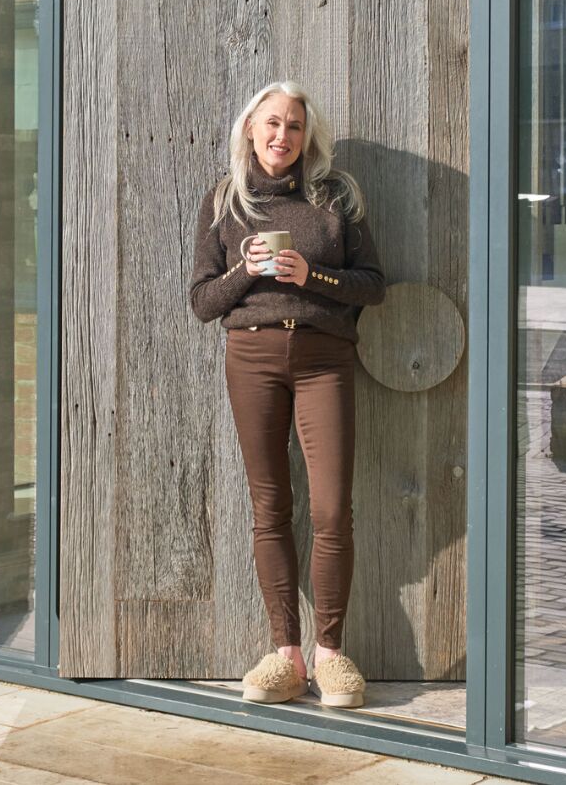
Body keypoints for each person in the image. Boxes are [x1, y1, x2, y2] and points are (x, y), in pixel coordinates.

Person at [188, 81, 386, 709]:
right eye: (271, 124)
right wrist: (246, 269)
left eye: (294, 127)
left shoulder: (336, 197)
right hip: (251, 358)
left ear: (308, 136)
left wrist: (314, 275)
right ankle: (286, 656)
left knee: (331, 509)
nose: (282, 136)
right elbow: (201, 303)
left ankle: (330, 655)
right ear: (250, 129)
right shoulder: (225, 202)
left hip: (325, 359)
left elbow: (374, 285)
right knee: (269, 507)